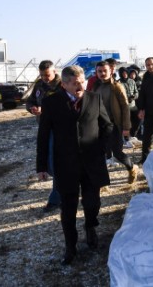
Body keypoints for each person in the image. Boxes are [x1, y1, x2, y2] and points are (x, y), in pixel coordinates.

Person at [36, 65, 114, 266]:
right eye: (75, 83)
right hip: (66, 165)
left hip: (91, 163)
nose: (80, 86)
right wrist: (41, 166)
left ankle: (90, 227)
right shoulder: (51, 103)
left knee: (92, 203)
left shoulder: (94, 98)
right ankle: (70, 246)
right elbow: (43, 136)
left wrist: (102, 148)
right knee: (68, 209)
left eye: (82, 82)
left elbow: (107, 125)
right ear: (64, 84)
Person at [25, 60, 62, 213]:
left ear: (54, 72)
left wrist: (46, 110)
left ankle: (56, 198)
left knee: (55, 162)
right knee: (48, 161)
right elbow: (30, 101)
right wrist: (32, 108)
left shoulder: (62, 85)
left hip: (58, 128)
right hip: (44, 127)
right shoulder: (39, 85)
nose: (45, 78)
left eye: (47, 75)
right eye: (42, 75)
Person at [92, 61, 138, 183]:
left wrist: (126, 127)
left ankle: (132, 168)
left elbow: (125, 106)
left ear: (111, 71)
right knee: (101, 153)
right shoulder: (96, 86)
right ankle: (103, 183)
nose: (102, 73)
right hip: (99, 125)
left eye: (104, 71)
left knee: (117, 152)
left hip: (114, 125)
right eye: (99, 71)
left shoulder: (117, 86)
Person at [118, 67, 139, 140]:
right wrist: (126, 99)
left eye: (126, 73)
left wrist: (133, 97)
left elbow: (136, 92)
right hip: (124, 106)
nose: (125, 74)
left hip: (133, 106)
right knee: (126, 123)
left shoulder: (132, 81)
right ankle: (126, 138)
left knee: (136, 121)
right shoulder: (118, 83)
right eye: (123, 73)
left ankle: (133, 135)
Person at [128, 67, 143, 138]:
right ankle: (132, 135)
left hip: (139, 104)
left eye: (134, 74)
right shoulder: (127, 82)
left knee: (138, 120)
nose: (132, 75)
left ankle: (138, 134)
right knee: (131, 120)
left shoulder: (140, 82)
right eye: (131, 74)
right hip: (130, 105)